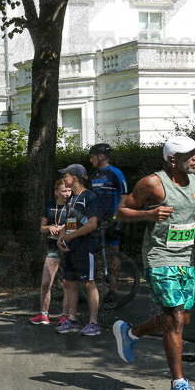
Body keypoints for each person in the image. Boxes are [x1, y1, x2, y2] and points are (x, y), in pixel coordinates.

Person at [113, 136, 195, 390]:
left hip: (186, 257)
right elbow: (121, 212)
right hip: (159, 257)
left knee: (180, 320)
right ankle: (178, 384)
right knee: (176, 319)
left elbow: (190, 215)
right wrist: (149, 214)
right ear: (172, 159)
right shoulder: (153, 184)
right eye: (190, 154)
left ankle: (131, 333)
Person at [54, 164, 101, 336]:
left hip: (85, 246)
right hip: (71, 248)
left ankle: (94, 323)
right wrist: (62, 237)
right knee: (69, 283)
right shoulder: (71, 198)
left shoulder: (89, 197)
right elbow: (70, 222)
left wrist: (70, 237)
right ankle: (72, 320)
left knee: (88, 283)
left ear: (74, 178)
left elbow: (92, 224)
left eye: (66, 176)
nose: (64, 179)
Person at [89, 143, 129, 298]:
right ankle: (98, 289)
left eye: (93, 157)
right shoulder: (94, 176)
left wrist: (117, 218)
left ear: (101, 157)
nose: (91, 161)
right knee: (98, 254)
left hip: (112, 219)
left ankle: (113, 289)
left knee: (113, 254)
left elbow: (124, 197)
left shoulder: (116, 173)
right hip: (97, 220)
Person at [30, 178, 72, 325]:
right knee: (45, 282)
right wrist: (49, 228)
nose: (67, 193)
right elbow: (42, 228)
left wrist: (63, 228)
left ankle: (65, 315)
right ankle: (43, 314)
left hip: (68, 247)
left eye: (68, 190)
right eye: (63, 191)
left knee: (67, 283)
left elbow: (77, 224)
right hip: (53, 246)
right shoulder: (49, 205)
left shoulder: (73, 204)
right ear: (56, 192)